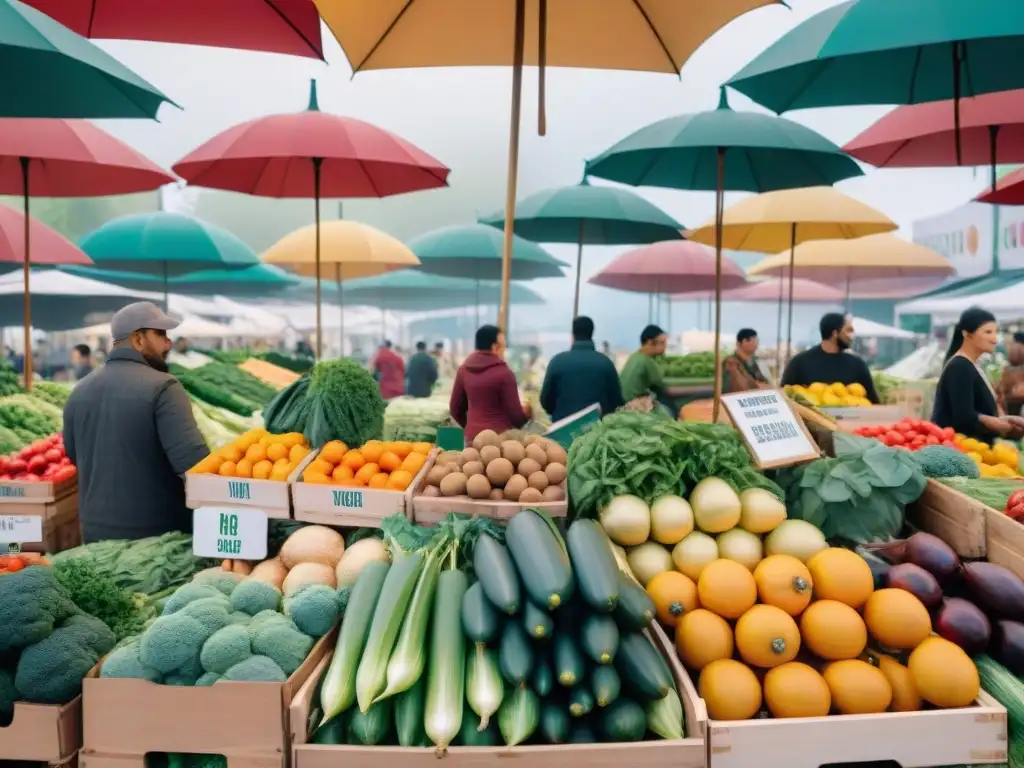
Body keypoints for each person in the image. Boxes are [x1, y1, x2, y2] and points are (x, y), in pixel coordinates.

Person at [63, 302, 209, 543]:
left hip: (94, 538)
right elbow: (196, 467)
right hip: (158, 542)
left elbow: (74, 455)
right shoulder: (164, 387)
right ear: (138, 339)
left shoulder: (79, 390)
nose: (168, 343)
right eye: (160, 334)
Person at [933, 308, 1024, 442]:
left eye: (995, 332)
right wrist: (995, 423)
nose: (994, 339)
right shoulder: (960, 367)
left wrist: (1005, 420)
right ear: (967, 335)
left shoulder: (971, 365)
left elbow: (975, 413)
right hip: (961, 451)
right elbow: (963, 419)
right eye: (988, 332)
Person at [450, 325, 530, 444]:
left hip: (472, 438)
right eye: (503, 345)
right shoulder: (504, 374)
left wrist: (472, 426)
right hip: (499, 441)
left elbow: (455, 408)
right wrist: (527, 413)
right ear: (495, 347)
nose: (504, 349)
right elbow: (516, 417)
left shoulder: (464, 370)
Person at [781, 313, 880, 403]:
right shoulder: (799, 363)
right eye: (848, 330)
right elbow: (782, 398)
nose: (851, 336)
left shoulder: (857, 365)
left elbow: (874, 403)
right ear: (835, 333)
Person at [541, 316, 624, 421]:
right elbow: (617, 403)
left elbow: (545, 402)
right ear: (592, 333)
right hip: (598, 431)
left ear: (573, 334)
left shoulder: (556, 362)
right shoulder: (605, 363)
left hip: (562, 431)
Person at [619, 324, 679, 413]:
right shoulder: (647, 361)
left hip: (622, 402)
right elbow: (662, 385)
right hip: (633, 405)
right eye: (662, 343)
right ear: (650, 342)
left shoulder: (635, 357)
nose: (665, 346)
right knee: (670, 409)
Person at [722, 329, 769, 394]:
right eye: (755, 341)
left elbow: (767, 383)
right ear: (744, 342)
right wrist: (756, 385)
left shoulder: (757, 361)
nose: (757, 344)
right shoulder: (731, 362)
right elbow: (738, 386)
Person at [998, 332, 1024, 416]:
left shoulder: (1012, 347)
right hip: (1020, 395)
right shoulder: (1021, 347)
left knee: (1013, 416)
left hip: (1011, 398)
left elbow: (1002, 388)